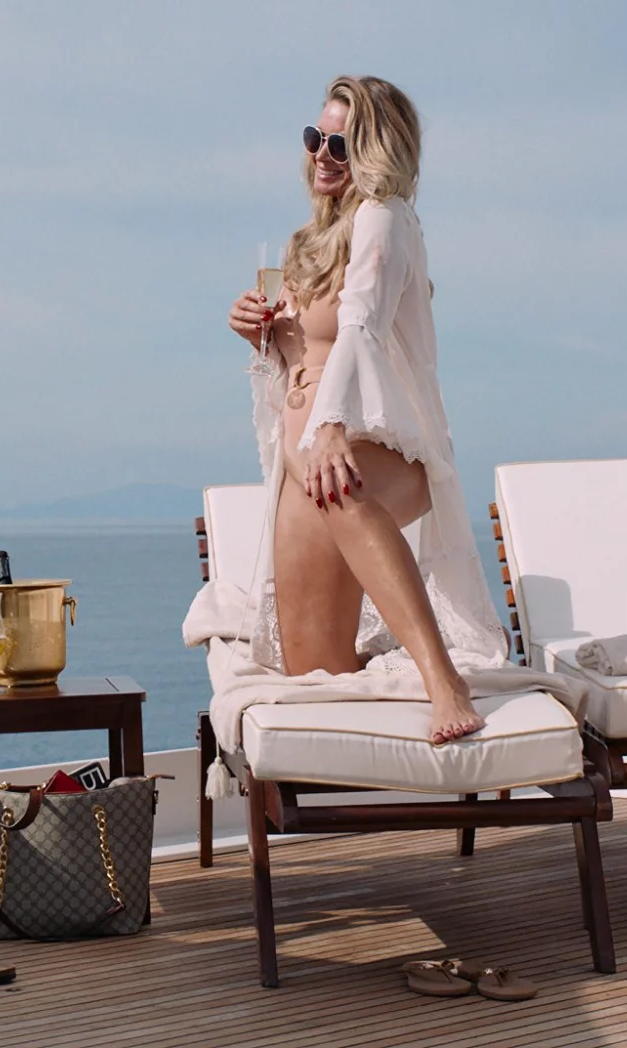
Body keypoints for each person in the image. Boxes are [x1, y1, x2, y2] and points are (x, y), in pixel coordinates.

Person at [221, 75, 510, 745]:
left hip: (365, 451)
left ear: (377, 152)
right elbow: (299, 365)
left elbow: (361, 327)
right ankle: (384, 770)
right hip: (301, 464)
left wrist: (329, 427)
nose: (321, 155)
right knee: (314, 668)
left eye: (341, 145)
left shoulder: (386, 218)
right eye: (314, 139)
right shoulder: (305, 244)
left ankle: (444, 681)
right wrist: (259, 335)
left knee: (343, 492)